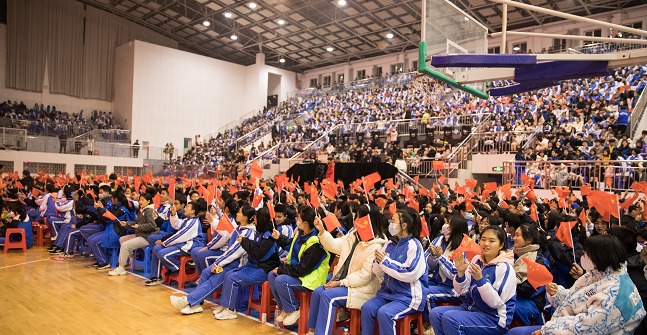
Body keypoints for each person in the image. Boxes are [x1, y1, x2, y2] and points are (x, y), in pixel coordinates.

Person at [508, 234, 646, 335]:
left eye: (587, 254)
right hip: (563, 324)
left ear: (600, 257)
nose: (583, 257)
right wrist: (557, 293)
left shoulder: (615, 291)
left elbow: (586, 327)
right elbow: (576, 298)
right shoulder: (597, 273)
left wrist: (546, 330)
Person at [307, 203, 387, 335]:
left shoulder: (377, 245)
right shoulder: (354, 235)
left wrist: (340, 283)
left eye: (360, 218)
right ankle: (311, 331)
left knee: (328, 296)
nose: (356, 221)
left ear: (369, 220)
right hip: (345, 283)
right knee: (317, 292)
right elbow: (335, 246)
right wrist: (322, 231)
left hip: (363, 288)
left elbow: (365, 276)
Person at [169, 205, 257, 315]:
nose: (237, 214)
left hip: (235, 265)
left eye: (239, 212)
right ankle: (196, 303)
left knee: (214, 279)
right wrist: (213, 221)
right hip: (228, 261)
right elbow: (227, 233)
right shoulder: (240, 228)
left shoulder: (248, 234)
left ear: (245, 217)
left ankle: (188, 300)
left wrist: (218, 263)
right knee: (206, 272)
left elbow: (234, 253)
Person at [430, 225, 516, 335]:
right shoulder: (477, 259)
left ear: (501, 245)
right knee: (435, 313)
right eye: (483, 239)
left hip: (493, 317)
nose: (486, 244)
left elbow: (496, 303)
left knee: (450, 318)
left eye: (492, 241)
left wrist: (481, 281)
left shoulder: (505, 268)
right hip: (471, 309)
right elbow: (462, 291)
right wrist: (460, 274)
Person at [361, 209, 429, 335]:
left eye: (393, 220)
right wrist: (377, 261)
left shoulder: (414, 245)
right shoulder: (389, 244)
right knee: (367, 308)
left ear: (404, 225)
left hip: (408, 297)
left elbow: (411, 272)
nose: (389, 223)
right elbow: (379, 272)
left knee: (385, 313)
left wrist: (385, 262)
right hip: (387, 294)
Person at [215, 207, 281, 320]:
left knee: (232, 278)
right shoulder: (260, 232)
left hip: (265, 270)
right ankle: (225, 306)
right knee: (228, 274)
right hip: (255, 266)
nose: (254, 219)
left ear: (261, 219)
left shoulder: (268, 236)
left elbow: (258, 254)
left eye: (256, 217)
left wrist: (245, 242)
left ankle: (230, 311)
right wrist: (246, 241)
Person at [269, 206, 330, 326]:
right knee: (272, 275)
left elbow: (303, 269)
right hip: (299, 272)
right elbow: (292, 247)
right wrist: (280, 238)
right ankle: (285, 309)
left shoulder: (316, 242)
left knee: (281, 280)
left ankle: (294, 309)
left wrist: (282, 270)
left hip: (310, 278)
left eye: (299, 218)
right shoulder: (301, 233)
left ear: (306, 223)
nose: (296, 220)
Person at [146, 199, 206, 286]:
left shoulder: (194, 223)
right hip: (181, 243)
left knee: (163, 253)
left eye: (187, 207)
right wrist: (173, 214)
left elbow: (179, 236)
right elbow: (176, 225)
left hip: (189, 246)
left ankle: (179, 268)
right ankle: (156, 277)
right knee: (156, 248)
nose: (185, 208)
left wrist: (164, 242)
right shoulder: (187, 219)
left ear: (193, 211)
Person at [425, 216, 469, 320]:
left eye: (448, 224)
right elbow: (429, 265)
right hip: (436, 281)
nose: (445, 226)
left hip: (453, 288)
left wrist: (441, 257)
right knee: (414, 287)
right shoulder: (439, 239)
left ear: (456, 228)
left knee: (425, 293)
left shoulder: (464, 247)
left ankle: (430, 323)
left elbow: (455, 274)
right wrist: (432, 256)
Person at [108, 193, 159, 276]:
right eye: (140, 200)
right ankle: (131, 258)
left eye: (143, 200)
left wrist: (139, 226)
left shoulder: (150, 211)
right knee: (122, 239)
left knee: (125, 245)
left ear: (148, 201)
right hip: (140, 234)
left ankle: (121, 268)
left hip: (147, 237)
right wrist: (127, 224)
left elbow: (152, 225)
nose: (140, 202)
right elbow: (137, 222)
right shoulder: (142, 210)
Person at [512, 224, 548, 326]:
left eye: (517, 235)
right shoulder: (513, 254)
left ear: (529, 240)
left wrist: (506, 284)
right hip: (514, 295)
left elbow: (529, 291)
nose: (514, 238)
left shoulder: (539, 261)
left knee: (499, 308)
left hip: (532, 302)